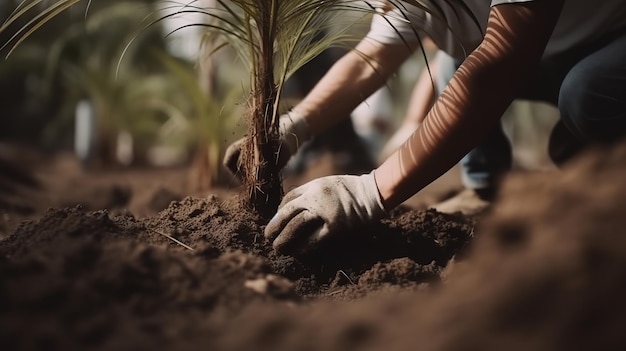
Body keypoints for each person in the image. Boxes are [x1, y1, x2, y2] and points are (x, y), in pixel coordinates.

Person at [225, 0, 626, 256]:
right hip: (553, 50)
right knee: (459, 54)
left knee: (587, 93)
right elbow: (370, 60)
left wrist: (368, 192)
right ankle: (485, 189)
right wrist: (295, 127)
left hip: (612, 43)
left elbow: (500, 64)